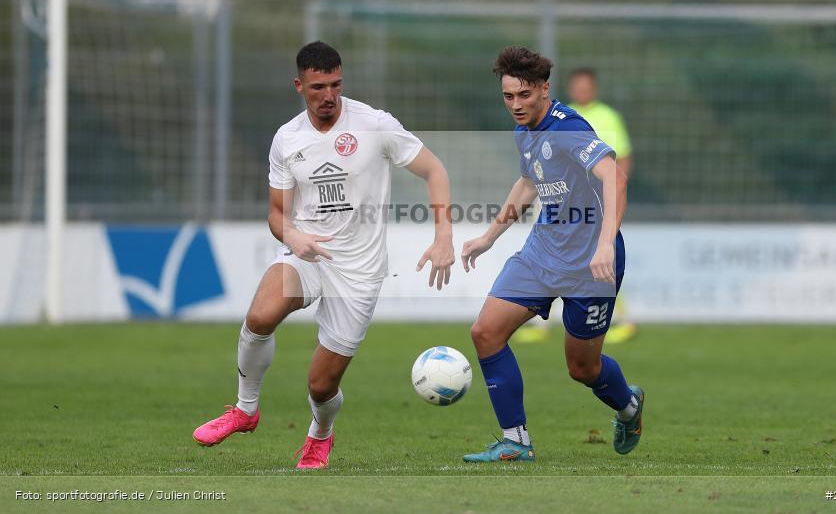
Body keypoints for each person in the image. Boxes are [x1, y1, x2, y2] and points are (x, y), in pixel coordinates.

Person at [192, 41, 455, 470]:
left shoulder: (375, 124)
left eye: (335, 85)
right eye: (318, 87)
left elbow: (435, 170)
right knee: (259, 316)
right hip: (308, 254)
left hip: (359, 273)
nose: (328, 95)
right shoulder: (287, 138)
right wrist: (292, 237)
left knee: (320, 386)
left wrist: (444, 234)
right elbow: (277, 214)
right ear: (300, 86)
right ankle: (244, 410)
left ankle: (320, 435)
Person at [459, 46, 643, 463]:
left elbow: (615, 177)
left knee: (582, 369)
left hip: (590, 263)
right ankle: (516, 441)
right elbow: (528, 183)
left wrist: (602, 244)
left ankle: (629, 407)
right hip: (541, 254)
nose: (516, 105)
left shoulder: (567, 128)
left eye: (524, 95)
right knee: (485, 333)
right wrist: (490, 235)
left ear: (545, 89)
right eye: (508, 97)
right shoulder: (525, 131)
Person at [567, 67, 636, 344]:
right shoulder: (564, 115)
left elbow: (623, 158)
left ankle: (624, 318)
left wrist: (615, 191)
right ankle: (541, 321)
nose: (582, 90)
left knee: (603, 256)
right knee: (559, 256)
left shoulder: (608, 116)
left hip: (596, 201)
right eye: (577, 85)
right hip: (565, 199)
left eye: (587, 85)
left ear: (594, 87)